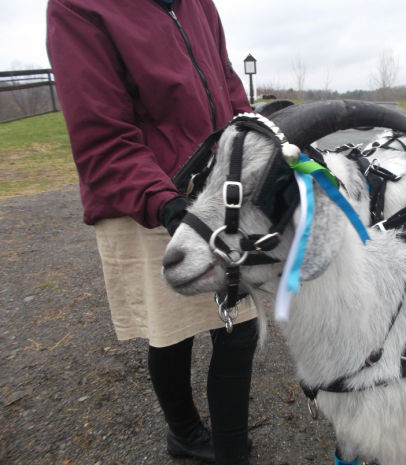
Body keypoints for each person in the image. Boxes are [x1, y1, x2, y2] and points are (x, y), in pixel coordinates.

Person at [46, 1, 257, 464]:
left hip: (213, 188)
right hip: (142, 194)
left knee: (239, 324)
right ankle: (183, 433)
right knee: (172, 328)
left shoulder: (198, 4)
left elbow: (227, 85)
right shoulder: (77, 7)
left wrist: (254, 150)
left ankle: (230, 449)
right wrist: (165, 203)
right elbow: (100, 132)